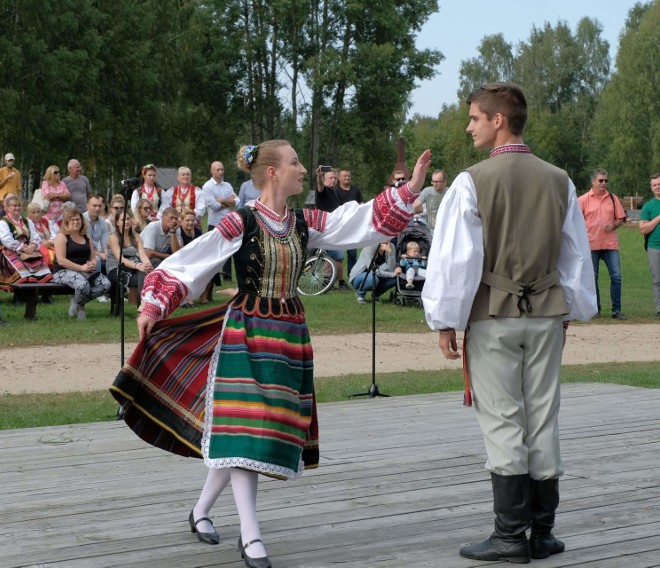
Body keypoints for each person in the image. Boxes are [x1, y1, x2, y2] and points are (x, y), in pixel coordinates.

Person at [111, 140, 430, 568]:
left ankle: (200, 511)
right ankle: (251, 535)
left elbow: (356, 223)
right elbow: (192, 260)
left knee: (247, 431)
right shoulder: (240, 222)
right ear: (273, 173)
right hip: (247, 330)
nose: (303, 169)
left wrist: (407, 190)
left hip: (288, 335)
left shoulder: (303, 221)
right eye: (295, 162)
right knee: (247, 427)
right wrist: (154, 304)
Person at [422, 82, 596, 564]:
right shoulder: (559, 180)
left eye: (475, 117)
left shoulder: (471, 181)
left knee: (503, 421)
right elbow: (574, 256)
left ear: (499, 120)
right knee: (543, 417)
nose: (469, 124)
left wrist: (446, 320)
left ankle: (508, 536)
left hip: (495, 317)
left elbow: (457, 260)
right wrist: (571, 309)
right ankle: (542, 532)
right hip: (546, 318)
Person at [578, 169, 628, 319]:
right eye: (601, 181)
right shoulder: (583, 200)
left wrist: (613, 225)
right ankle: (595, 309)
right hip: (590, 244)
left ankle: (616, 310)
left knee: (616, 276)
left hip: (610, 244)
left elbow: (621, 218)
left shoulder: (612, 198)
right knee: (592, 278)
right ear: (593, 181)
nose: (604, 183)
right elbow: (576, 221)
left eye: (606, 181)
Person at [52, 208, 111, 320]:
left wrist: (92, 264)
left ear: (82, 221)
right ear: (67, 222)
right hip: (62, 271)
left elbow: (92, 257)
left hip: (84, 270)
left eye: (78, 220)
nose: (76, 222)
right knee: (83, 285)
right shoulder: (62, 236)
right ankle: (81, 307)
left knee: (105, 284)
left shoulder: (86, 236)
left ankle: (76, 301)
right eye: (72, 220)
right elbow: (61, 260)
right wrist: (81, 267)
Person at [0, 195, 53, 285]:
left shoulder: (27, 221)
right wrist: (22, 248)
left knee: (43, 268)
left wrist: (33, 245)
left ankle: (44, 293)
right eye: (14, 206)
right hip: (10, 251)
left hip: (28, 250)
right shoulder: (3, 222)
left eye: (19, 205)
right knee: (22, 271)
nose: (17, 208)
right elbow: (7, 240)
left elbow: (35, 235)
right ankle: (22, 295)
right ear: (7, 208)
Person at [106, 209, 153, 308]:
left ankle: (142, 307)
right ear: (117, 223)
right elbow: (120, 259)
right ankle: (142, 307)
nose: (126, 222)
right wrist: (138, 266)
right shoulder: (113, 237)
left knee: (145, 273)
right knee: (141, 274)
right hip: (116, 268)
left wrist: (148, 265)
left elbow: (142, 254)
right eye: (122, 220)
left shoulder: (136, 236)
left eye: (128, 219)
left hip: (133, 267)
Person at [314, 167, 350, 290]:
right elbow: (319, 186)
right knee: (337, 257)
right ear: (324, 180)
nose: (334, 180)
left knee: (332, 257)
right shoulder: (322, 191)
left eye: (335, 178)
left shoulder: (333, 192)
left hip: (333, 227)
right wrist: (318, 176)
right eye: (331, 178)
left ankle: (329, 283)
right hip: (326, 228)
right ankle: (337, 283)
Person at [203, 161, 237, 280]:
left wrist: (221, 200)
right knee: (214, 253)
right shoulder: (207, 186)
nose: (221, 172)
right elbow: (214, 206)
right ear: (212, 171)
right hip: (214, 223)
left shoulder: (227, 185)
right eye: (218, 170)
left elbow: (236, 201)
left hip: (227, 223)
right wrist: (228, 202)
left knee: (227, 250)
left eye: (222, 169)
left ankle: (227, 276)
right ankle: (214, 277)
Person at [640, 173, 660, 320]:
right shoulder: (648, 206)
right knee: (657, 280)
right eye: (654, 185)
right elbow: (643, 229)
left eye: (659, 184)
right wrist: (658, 218)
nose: (657, 187)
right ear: (651, 188)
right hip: (655, 247)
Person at [337, 169, 364, 272]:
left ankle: (352, 274)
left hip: (353, 225)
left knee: (352, 252)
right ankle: (334, 276)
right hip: (340, 225)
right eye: (344, 176)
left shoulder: (355, 190)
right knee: (337, 253)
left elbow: (361, 203)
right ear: (340, 178)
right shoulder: (336, 191)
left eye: (348, 176)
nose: (347, 178)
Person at [40, 165, 71, 234]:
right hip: (50, 213)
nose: (58, 173)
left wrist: (56, 195)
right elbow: (48, 196)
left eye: (59, 172)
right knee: (52, 233)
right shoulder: (45, 183)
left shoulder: (62, 183)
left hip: (61, 212)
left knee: (61, 232)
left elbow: (68, 195)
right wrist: (62, 196)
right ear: (50, 173)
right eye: (56, 172)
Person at [82, 194, 109, 273]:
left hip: (95, 252)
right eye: (94, 206)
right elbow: (82, 245)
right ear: (87, 206)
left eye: (99, 206)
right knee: (97, 260)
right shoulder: (80, 220)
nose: (97, 208)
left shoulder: (103, 223)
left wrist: (107, 255)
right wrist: (100, 255)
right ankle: (97, 282)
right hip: (81, 252)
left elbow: (105, 245)